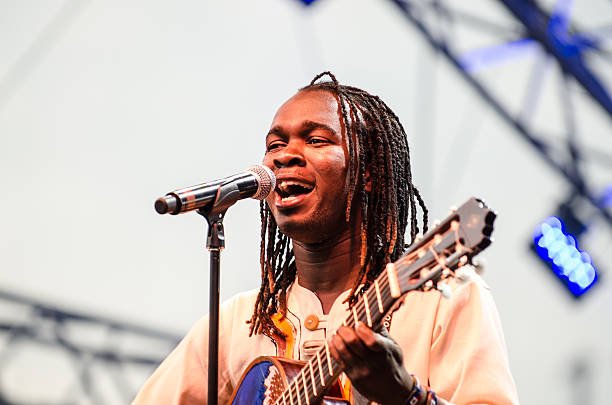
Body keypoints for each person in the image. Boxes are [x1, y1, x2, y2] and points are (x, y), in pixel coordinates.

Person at [133, 72, 519, 404]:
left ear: (368, 173)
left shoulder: (440, 299)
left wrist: (405, 394)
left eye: (316, 140)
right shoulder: (239, 321)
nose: (284, 156)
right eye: (275, 145)